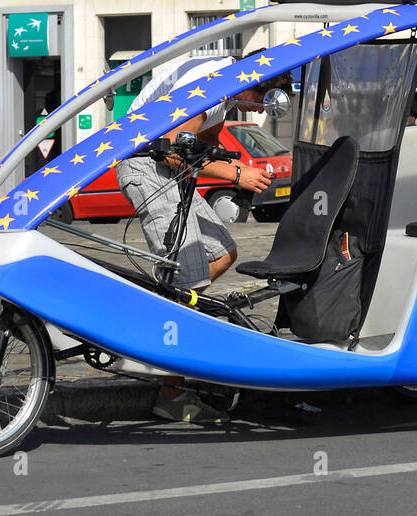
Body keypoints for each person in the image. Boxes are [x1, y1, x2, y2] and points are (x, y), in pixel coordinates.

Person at [115, 49, 289, 423]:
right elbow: (174, 152)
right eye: (262, 99)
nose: (260, 112)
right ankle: (170, 391)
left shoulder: (224, 96)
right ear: (251, 83)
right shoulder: (208, 84)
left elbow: (201, 148)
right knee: (187, 278)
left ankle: (160, 318)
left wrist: (239, 166)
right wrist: (236, 176)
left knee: (222, 253)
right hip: (147, 164)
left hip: (168, 169)